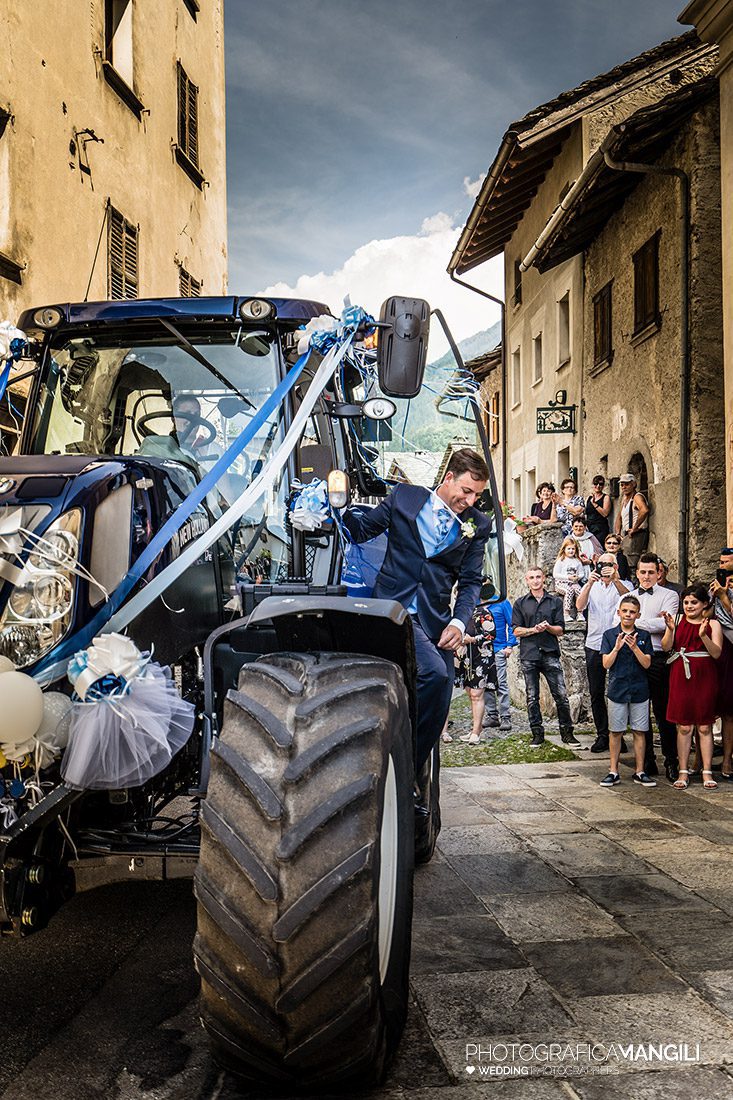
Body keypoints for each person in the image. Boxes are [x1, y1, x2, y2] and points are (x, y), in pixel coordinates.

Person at [340, 448, 490, 770]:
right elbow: (362, 530)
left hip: (435, 620)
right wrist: (336, 506)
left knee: (441, 693)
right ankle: (403, 765)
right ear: (449, 478)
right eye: (466, 491)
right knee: (434, 674)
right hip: (391, 608)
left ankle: (414, 766)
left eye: (477, 495)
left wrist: (459, 623)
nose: (470, 501)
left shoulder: (477, 524)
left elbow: (470, 582)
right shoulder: (405, 497)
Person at [624, 553, 680, 780]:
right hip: (633, 657)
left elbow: (666, 624)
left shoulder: (670, 595)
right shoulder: (627, 597)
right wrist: (648, 623)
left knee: (663, 711)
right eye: (643, 572)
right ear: (637, 573)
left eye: (651, 572)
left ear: (658, 573)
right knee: (639, 712)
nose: (646, 576)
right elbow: (618, 623)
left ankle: (671, 760)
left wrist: (635, 623)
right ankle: (647, 760)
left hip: (658, 657)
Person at [663, 583, 723, 791]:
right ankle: (683, 770)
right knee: (684, 726)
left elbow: (716, 653)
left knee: (705, 726)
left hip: (705, 674)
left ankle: (707, 771)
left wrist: (703, 635)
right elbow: (666, 647)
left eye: (694, 602)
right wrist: (670, 630)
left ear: (704, 604)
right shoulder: (677, 620)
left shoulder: (713, 624)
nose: (689, 606)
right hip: (681, 673)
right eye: (686, 602)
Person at [512, 566, 580, 748]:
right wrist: (533, 630)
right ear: (527, 581)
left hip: (550, 653)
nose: (535, 580)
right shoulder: (520, 603)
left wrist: (548, 627)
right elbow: (516, 630)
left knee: (561, 695)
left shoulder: (555, 602)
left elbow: (561, 629)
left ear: (544, 579)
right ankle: (537, 734)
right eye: (531, 577)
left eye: (538, 577)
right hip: (529, 655)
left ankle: (567, 733)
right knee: (532, 697)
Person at [576, 553, 633, 754]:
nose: (605, 567)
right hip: (594, 643)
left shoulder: (624, 584)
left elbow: (631, 601)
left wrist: (616, 581)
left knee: (619, 691)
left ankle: (619, 734)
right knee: (596, 691)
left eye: (609, 564)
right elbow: (579, 606)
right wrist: (589, 584)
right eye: (601, 564)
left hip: (620, 643)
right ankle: (602, 734)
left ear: (616, 566)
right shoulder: (590, 585)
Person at [600, 595, 655, 787]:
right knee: (615, 731)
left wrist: (634, 648)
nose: (628, 615)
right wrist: (616, 648)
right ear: (619, 612)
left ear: (638, 615)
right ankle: (613, 771)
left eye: (632, 612)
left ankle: (639, 771)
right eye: (625, 611)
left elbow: (647, 663)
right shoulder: (609, 635)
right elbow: (606, 664)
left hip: (639, 690)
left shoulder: (644, 636)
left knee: (639, 731)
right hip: (618, 690)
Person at [455, 598, 498, 746]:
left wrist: (472, 639)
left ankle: (476, 733)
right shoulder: (462, 614)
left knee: (476, 694)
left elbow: (491, 635)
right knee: (470, 693)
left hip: (481, 658)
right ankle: (476, 728)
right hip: (466, 658)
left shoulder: (484, 612)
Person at [710, 548, 733, 781]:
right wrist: (713, 596)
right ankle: (702, 759)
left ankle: (727, 759)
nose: (723, 565)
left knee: (729, 707)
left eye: (727, 562)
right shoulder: (716, 584)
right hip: (718, 644)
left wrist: (725, 597)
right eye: (721, 561)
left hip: (731, 644)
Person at [482, 591, 517, 733]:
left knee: (501, 683)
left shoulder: (501, 602)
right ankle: (492, 716)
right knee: (485, 684)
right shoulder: (476, 603)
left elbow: (513, 624)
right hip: (481, 651)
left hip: (498, 649)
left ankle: (505, 716)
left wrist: (509, 645)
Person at [615, 473, 649, 572]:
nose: (624, 487)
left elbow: (644, 510)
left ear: (633, 484)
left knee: (632, 564)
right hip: (626, 535)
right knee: (624, 563)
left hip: (636, 534)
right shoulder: (624, 499)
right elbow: (619, 517)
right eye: (622, 485)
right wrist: (617, 533)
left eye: (627, 484)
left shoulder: (637, 497)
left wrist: (635, 528)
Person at [552, 537, 590, 619]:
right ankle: (566, 613)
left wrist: (577, 577)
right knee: (569, 591)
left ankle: (580, 612)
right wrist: (568, 577)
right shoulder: (561, 560)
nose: (571, 551)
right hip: (561, 583)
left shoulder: (577, 561)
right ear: (564, 549)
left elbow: (581, 573)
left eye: (573, 549)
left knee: (580, 591)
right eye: (568, 549)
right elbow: (555, 574)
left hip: (574, 582)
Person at [585, 475, 612, 544]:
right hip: (589, 528)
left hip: (600, 529)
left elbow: (605, 514)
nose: (598, 486)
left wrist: (594, 504)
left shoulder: (606, 497)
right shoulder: (589, 498)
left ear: (603, 486)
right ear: (592, 485)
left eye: (601, 484)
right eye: (595, 483)